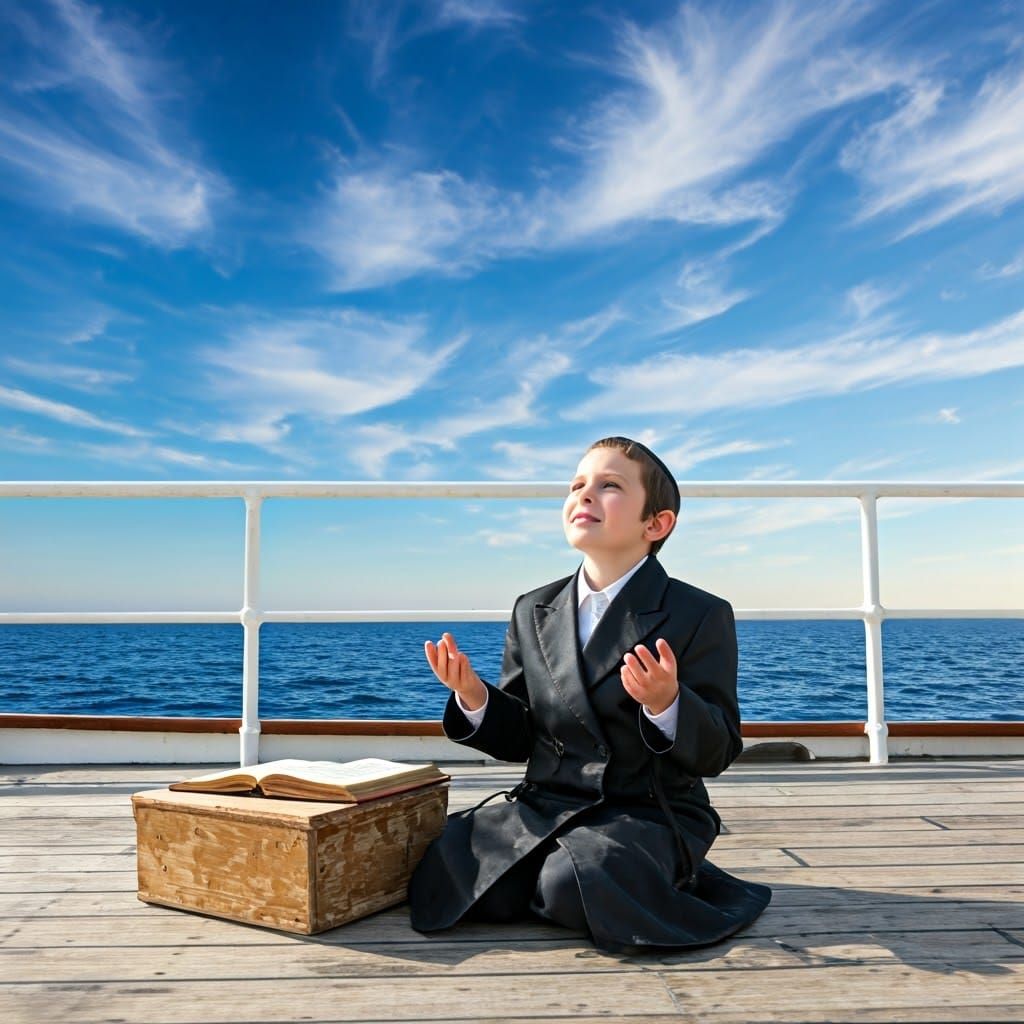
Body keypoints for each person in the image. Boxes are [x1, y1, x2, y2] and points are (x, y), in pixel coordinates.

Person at [407, 435, 771, 954]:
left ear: (656, 524)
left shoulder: (699, 613)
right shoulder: (533, 608)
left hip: (647, 809)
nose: (584, 495)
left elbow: (718, 750)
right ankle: (567, 864)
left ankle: (651, 869)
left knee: (571, 882)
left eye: (609, 486)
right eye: (577, 485)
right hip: (546, 804)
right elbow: (521, 738)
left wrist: (667, 703)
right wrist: (474, 696)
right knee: (444, 858)